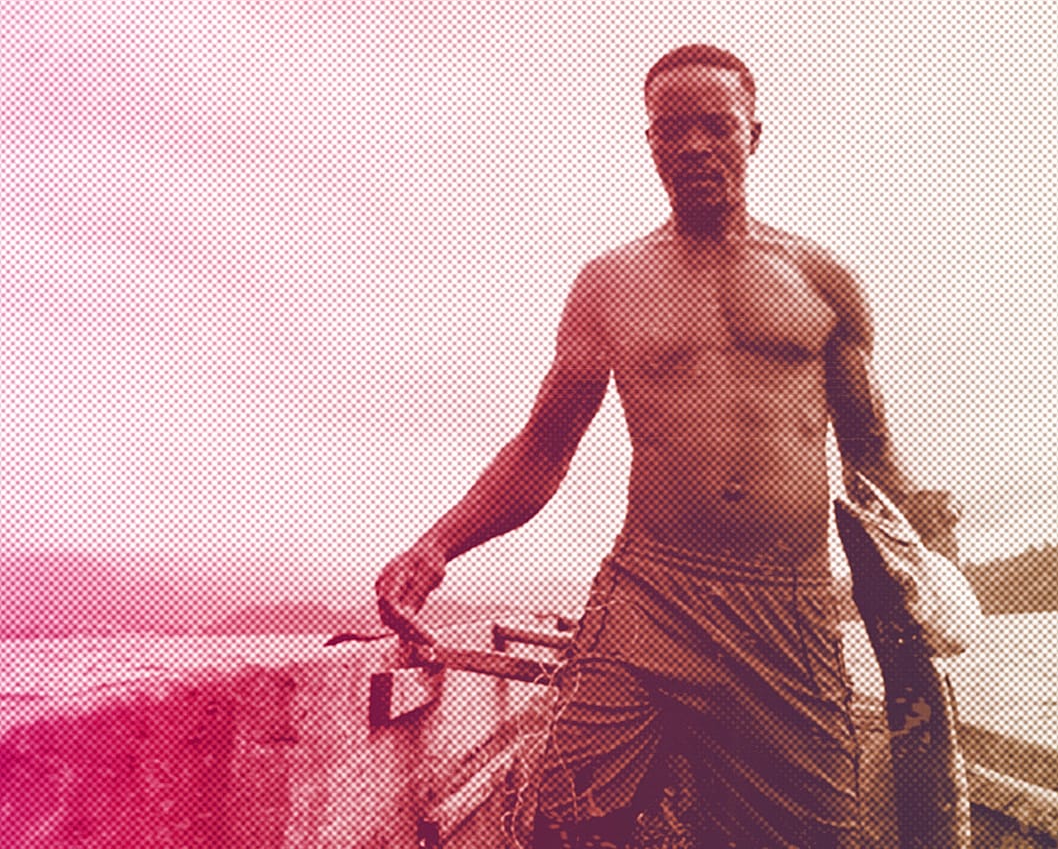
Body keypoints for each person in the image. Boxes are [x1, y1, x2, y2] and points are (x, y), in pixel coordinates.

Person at [375, 44, 958, 849]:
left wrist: (934, 532)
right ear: (648, 142)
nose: (692, 147)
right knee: (567, 825)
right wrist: (436, 545)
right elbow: (545, 449)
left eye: (714, 126)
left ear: (754, 134)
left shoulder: (824, 280)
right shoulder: (609, 283)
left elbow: (873, 462)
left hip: (785, 607)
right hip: (649, 591)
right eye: (669, 130)